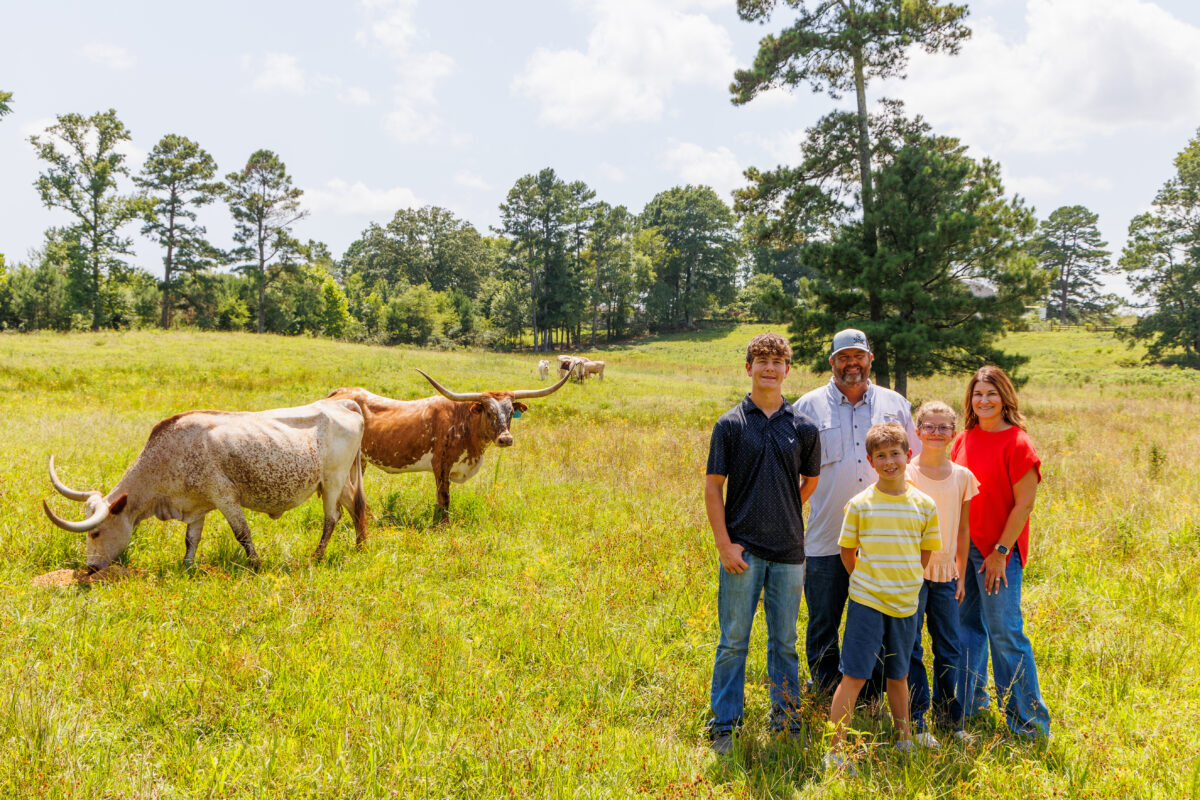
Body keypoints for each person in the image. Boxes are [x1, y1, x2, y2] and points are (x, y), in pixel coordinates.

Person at [704, 332, 821, 755]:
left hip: (790, 553)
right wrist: (725, 544)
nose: (769, 368)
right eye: (761, 360)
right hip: (743, 553)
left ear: (788, 369)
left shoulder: (803, 427)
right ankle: (724, 727)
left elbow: (811, 481)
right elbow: (714, 487)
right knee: (733, 640)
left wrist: (786, 507)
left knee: (784, 642)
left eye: (778, 361)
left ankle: (786, 724)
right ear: (748, 368)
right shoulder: (730, 424)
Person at [794, 329, 920, 697]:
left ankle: (872, 694)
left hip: (884, 541)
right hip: (826, 538)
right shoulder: (807, 407)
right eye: (844, 357)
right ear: (832, 362)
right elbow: (792, 473)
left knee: (879, 621)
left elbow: (915, 466)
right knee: (823, 622)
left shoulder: (895, 405)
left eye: (859, 356)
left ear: (870, 359)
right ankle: (824, 690)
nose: (852, 363)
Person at [825, 422, 941, 771]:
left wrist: (905, 581)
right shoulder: (860, 505)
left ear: (908, 456)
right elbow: (848, 552)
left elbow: (924, 553)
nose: (889, 461)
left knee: (899, 674)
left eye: (895, 454)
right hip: (867, 601)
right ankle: (835, 749)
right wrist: (866, 581)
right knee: (855, 676)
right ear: (870, 461)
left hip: (906, 603)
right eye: (881, 456)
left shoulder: (924, 504)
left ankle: (904, 739)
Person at [951, 366, 1051, 739]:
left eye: (991, 393)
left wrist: (1000, 551)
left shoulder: (1017, 442)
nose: (984, 400)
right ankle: (968, 706)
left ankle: (1029, 724)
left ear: (1005, 397)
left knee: (1004, 631)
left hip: (999, 553)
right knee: (964, 629)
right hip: (966, 551)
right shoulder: (963, 439)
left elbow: (1024, 505)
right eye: (978, 394)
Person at [905, 401, 979, 748]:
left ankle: (950, 719)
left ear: (954, 433)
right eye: (929, 426)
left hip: (947, 573)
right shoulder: (906, 473)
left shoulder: (963, 477)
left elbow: (963, 529)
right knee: (912, 646)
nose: (936, 432)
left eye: (943, 427)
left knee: (949, 646)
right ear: (917, 432)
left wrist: (961, 574)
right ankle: (917, 721)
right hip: (912, 571)